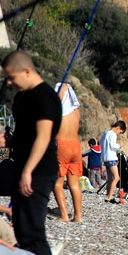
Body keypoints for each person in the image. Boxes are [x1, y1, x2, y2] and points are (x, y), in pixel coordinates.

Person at [2, 51, 63, 255]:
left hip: (39, 171)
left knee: (32, 232)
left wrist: (28, 171)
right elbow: (25, 135)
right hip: (22, 168)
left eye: (12, 77)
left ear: (26, 71)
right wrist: (7, 141)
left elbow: (43, 137)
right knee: (21, 230)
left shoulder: (45, 97)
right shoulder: (22, 97)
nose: (9, 83)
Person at [52, 80, 84, 223]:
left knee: (57, 183)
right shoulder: (76, 112)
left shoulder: (59, 111)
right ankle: (78, 216)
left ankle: (64, 215)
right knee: (74, 184)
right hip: (76, 146)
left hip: (62, 145)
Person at [101, 120, 126, 204]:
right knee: (116, 177)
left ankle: (108, 196)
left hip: (105, 158)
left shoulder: (105, 133)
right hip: (111, 158)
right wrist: (119, 146)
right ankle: (109, 197)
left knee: (110, 178)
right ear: (118, 128)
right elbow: (112, 146)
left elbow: (101, 144)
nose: (119, 134)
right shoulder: (113, 134)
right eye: (120, 132)